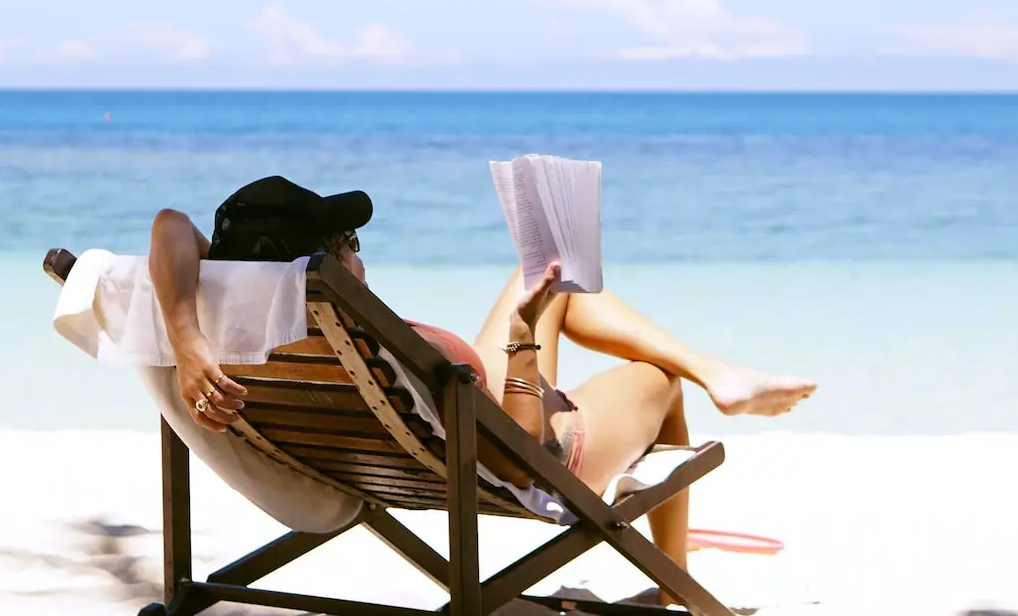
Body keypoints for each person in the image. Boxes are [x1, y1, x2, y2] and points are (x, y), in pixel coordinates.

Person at [148, 187, 815, 604]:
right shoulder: (398, 343)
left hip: (390, 439)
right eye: (347, 241)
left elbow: (170, 222)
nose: (357, 253)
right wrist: (521, 338)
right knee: (659, 380)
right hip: (522, 452)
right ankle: (675, 578)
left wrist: (187, 343)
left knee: (548, 273)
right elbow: (524, 462)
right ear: (330, 264)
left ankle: (717, 372)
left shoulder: (226, 317)